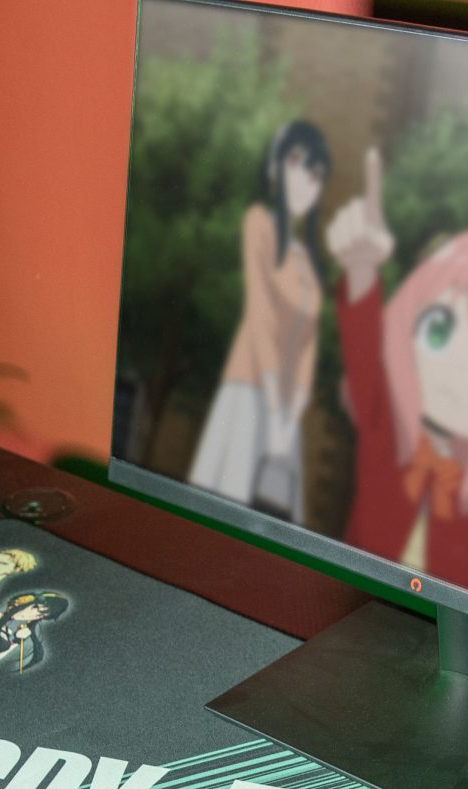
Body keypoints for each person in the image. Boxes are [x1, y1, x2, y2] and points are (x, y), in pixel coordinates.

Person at [324, 146, 468, 597]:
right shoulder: (388, 434)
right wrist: (362, 269)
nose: (459, 371)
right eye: (438, 329)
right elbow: (365, 355)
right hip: (356, 610)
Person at [188, 120, 330, 522]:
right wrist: (272, 404)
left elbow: (309, 346)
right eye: (296, 163)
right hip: (251, 390)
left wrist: (290, 416)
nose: (304, 180)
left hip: (286, 412)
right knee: (223, 515)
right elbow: (260, 312)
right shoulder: (259, 223)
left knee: (274, 524)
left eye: (315, 174)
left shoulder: (307, 262)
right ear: (274, 168)